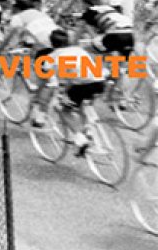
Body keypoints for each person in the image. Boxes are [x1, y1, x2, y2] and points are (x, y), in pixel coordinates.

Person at [35, 28, 106, 156]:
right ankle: (88, 130)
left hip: (82, 85)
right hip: (99, 82)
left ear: (52, 44)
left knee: (62, 108)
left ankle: (80, 139)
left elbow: (49, 80)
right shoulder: (79, 50)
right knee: (81, 105)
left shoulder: (51, 57)